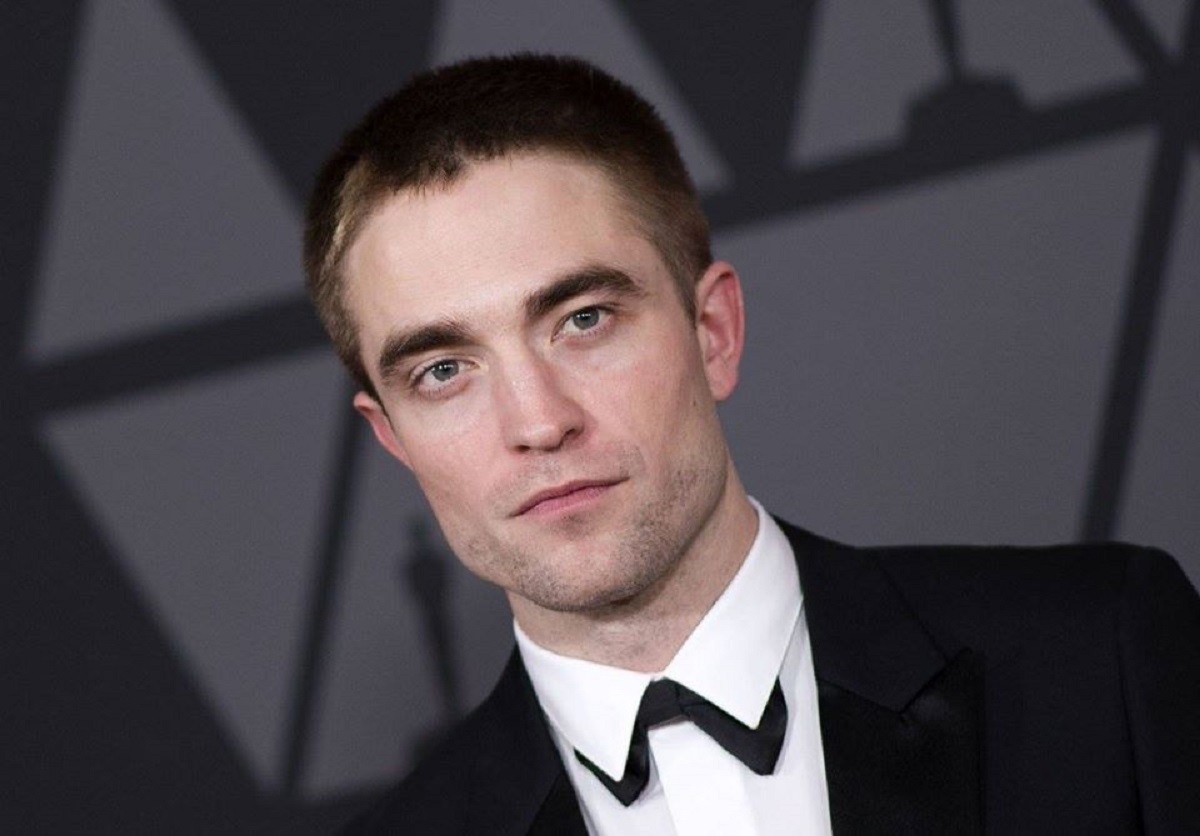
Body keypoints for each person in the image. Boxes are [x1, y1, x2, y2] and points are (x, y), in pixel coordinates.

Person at [304, 53, 1200, 835]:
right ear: (393, 439)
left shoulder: (1102, 662)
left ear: (715, 332)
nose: (538, 423)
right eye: (444, 371)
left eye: (584, 319)